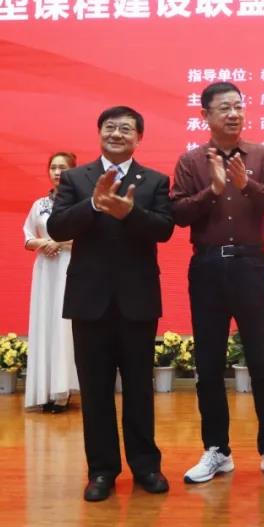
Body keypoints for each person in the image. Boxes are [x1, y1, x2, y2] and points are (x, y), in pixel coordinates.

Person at [47, 105, 174, 502]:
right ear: (100, 132)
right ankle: (101, 471)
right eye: (110, 127)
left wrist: (130, 212)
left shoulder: (155, 181)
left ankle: (146, 466)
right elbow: (56, 226)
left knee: (139, 388)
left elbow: (164, 229)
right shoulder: (75, 178)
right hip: (89, 301)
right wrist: (93, 205)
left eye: (126, 129)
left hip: (138, 300)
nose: (117, 134)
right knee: (95, 390)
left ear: (139, 138)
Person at [170, 82, 264, 486]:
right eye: (224, 107)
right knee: (208, 363)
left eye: (238, 106)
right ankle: (217, 450)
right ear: (204, 115)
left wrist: (246, 185)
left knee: (262, 360)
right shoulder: (191, 161)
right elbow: (178, 214)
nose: (233, 114)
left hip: (250, 264)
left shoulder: (262, 155)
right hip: (206, 267)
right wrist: (213, 190)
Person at [23, 151, 80, 413]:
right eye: (54, 167)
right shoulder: (39, 205)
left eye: (63, 168)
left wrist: (60, 243)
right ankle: (45, 389)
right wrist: (45, 243)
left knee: (64, 326)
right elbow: (27, 238)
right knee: (45, 324)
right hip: (46, 270)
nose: (57, 172)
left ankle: (62, 391)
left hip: (70, 267)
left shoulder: (81, 203)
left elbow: (90, 238)